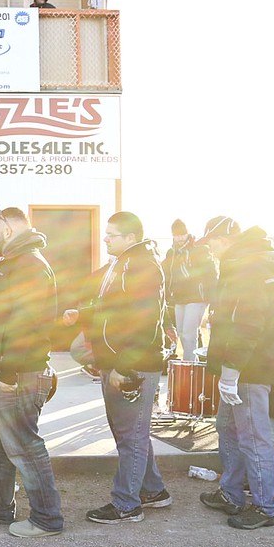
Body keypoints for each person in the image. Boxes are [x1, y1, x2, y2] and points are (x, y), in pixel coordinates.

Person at [69, 213, 170, 524]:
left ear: (130, 237)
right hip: (118, 361)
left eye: (111, 235)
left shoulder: (142, 266)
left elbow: (145, 323)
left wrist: (124, 367)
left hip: (133, 365)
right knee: (131, 432)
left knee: (131, 436)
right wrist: (82, 313)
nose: (105, 239)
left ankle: (127, 504)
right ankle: (153, 491)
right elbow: (113, 306)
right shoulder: (125, 263)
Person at [0, 207, 64, 537]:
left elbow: (28, 323)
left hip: (16, 372)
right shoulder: (15, 261)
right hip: (0, 368)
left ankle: (46, 517)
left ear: (7, 228)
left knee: (24, 444)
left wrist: (8, 371)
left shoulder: (30, 264)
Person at [195, 216, 274, 529]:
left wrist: (231, 370)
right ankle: (232, 493)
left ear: (230, 237)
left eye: (213, 240)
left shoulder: (249, 268)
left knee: (253, 437)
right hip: (242, 366)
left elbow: (248, 325)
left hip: (249, 369)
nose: (209, 246)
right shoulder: (242, 264)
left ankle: (264, 507)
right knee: (229, 428)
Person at [163, 219, 216, 362]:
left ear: (187, 233)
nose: (180, 238)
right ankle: (194, 362)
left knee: (188, 334)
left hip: (197, 297)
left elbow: (211, 273)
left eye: (183, 234)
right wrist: (165, 296)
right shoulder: (171, 253)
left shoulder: (199, 249)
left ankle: (189, 365)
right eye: (176, 235)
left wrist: (212, 297)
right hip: (179, 297)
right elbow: (166, 275)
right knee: (181, 332)